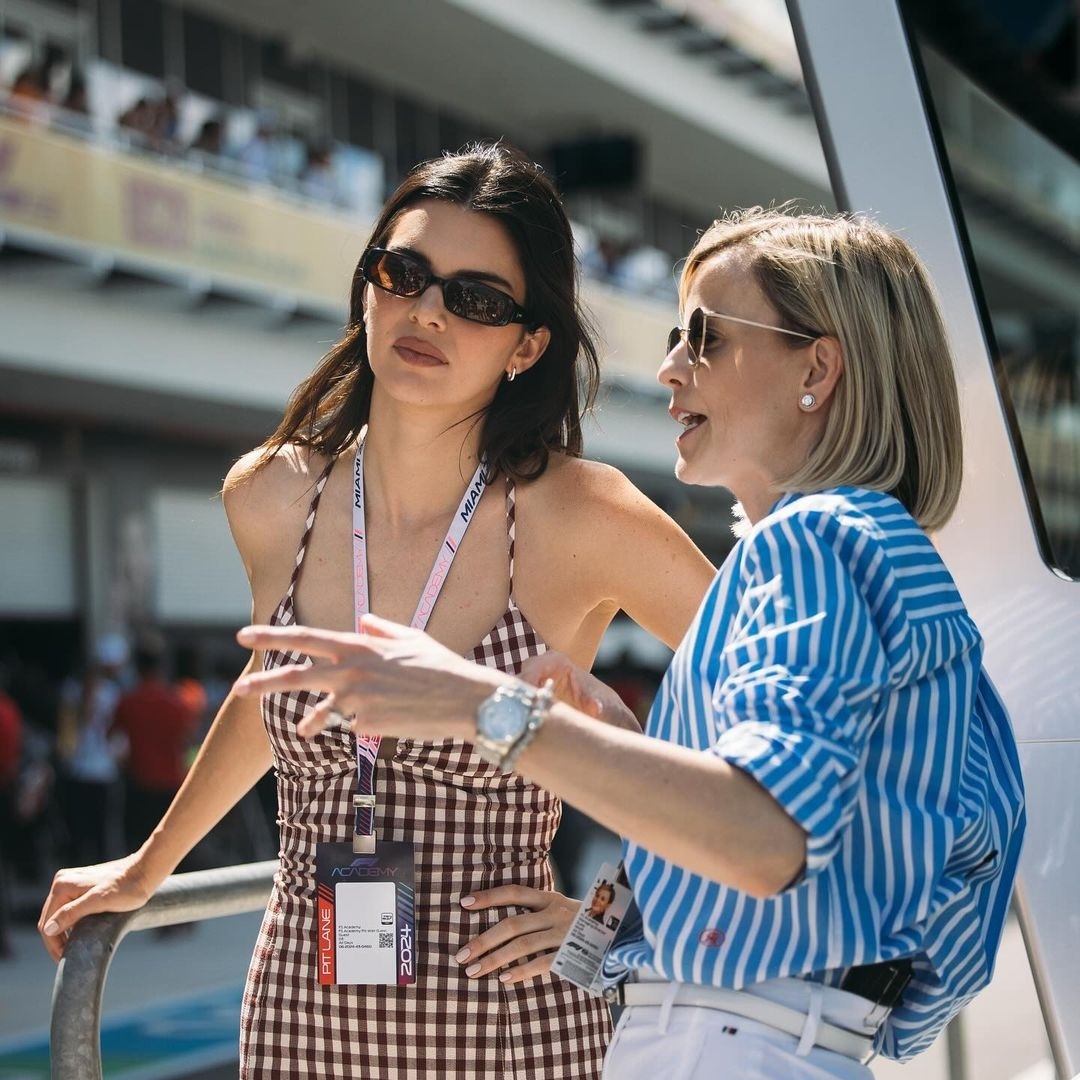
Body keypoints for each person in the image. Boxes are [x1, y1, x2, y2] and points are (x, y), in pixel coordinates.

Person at [229, 207, 1026, 1078]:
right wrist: (629, 760)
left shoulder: (811, 544)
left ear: (818, 369)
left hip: (720, 1046)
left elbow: (769, 840)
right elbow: (966, 846)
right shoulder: (884, 550)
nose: (670, 366)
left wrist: (482, 708)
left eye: (705, 338)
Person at [38, 143, 716, 1079]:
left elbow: (761, 713)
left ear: (527, 345)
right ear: (367, 289)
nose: (427, 311)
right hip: (303, 1004)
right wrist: (147, 869)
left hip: (510, 1023)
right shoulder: (273, 496)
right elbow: (268, 687)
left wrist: (616, 911)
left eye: (477, 299)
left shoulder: (582, 515)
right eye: (404, 274)